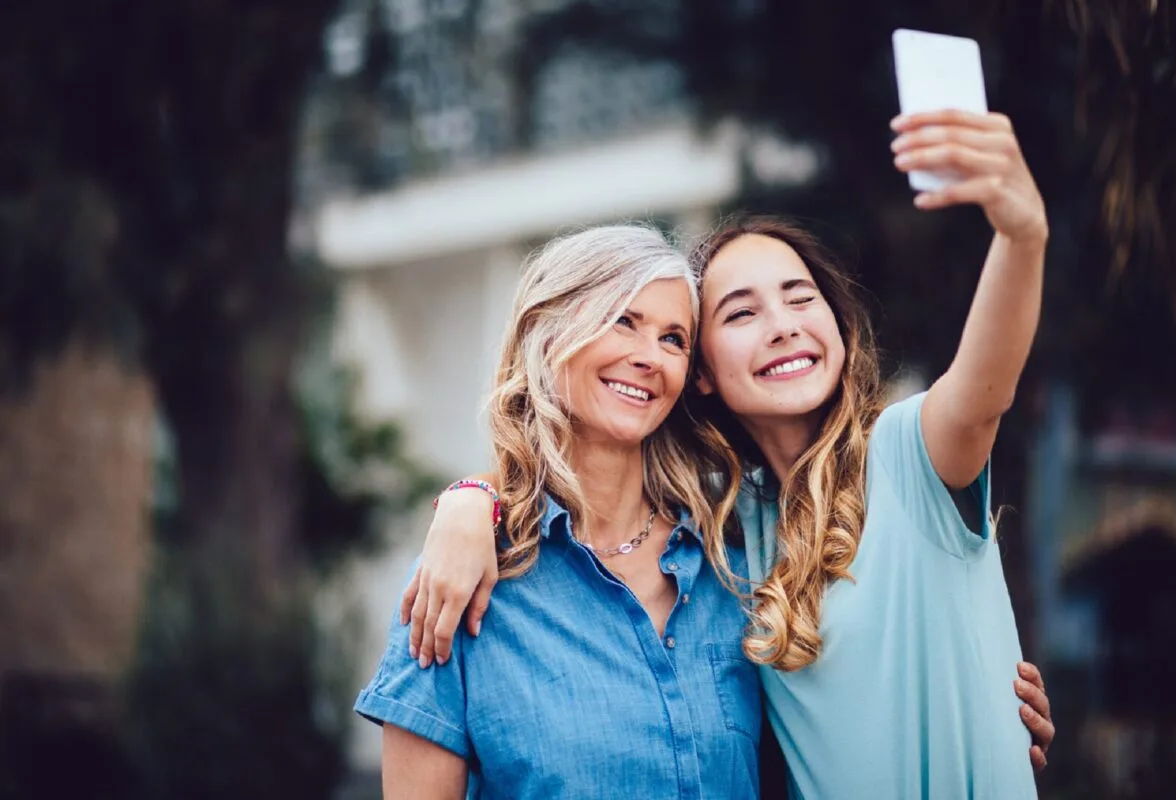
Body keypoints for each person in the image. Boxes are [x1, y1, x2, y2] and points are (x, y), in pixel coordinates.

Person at [403, 110, 1056, 798]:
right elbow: (583, 470)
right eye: (741, 314)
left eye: (800, 299)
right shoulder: (724, 532)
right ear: (703, 372)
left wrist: (1021, 234)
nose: (782, 327)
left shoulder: (905, 456)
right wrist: (470, 502)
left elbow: (984, 389)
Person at [354, 225, 765, 799]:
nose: (649, 357)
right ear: (548, 336)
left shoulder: (734, 560)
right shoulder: (460, 582)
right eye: (623, 320)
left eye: (674, 339)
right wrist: (471, 496)